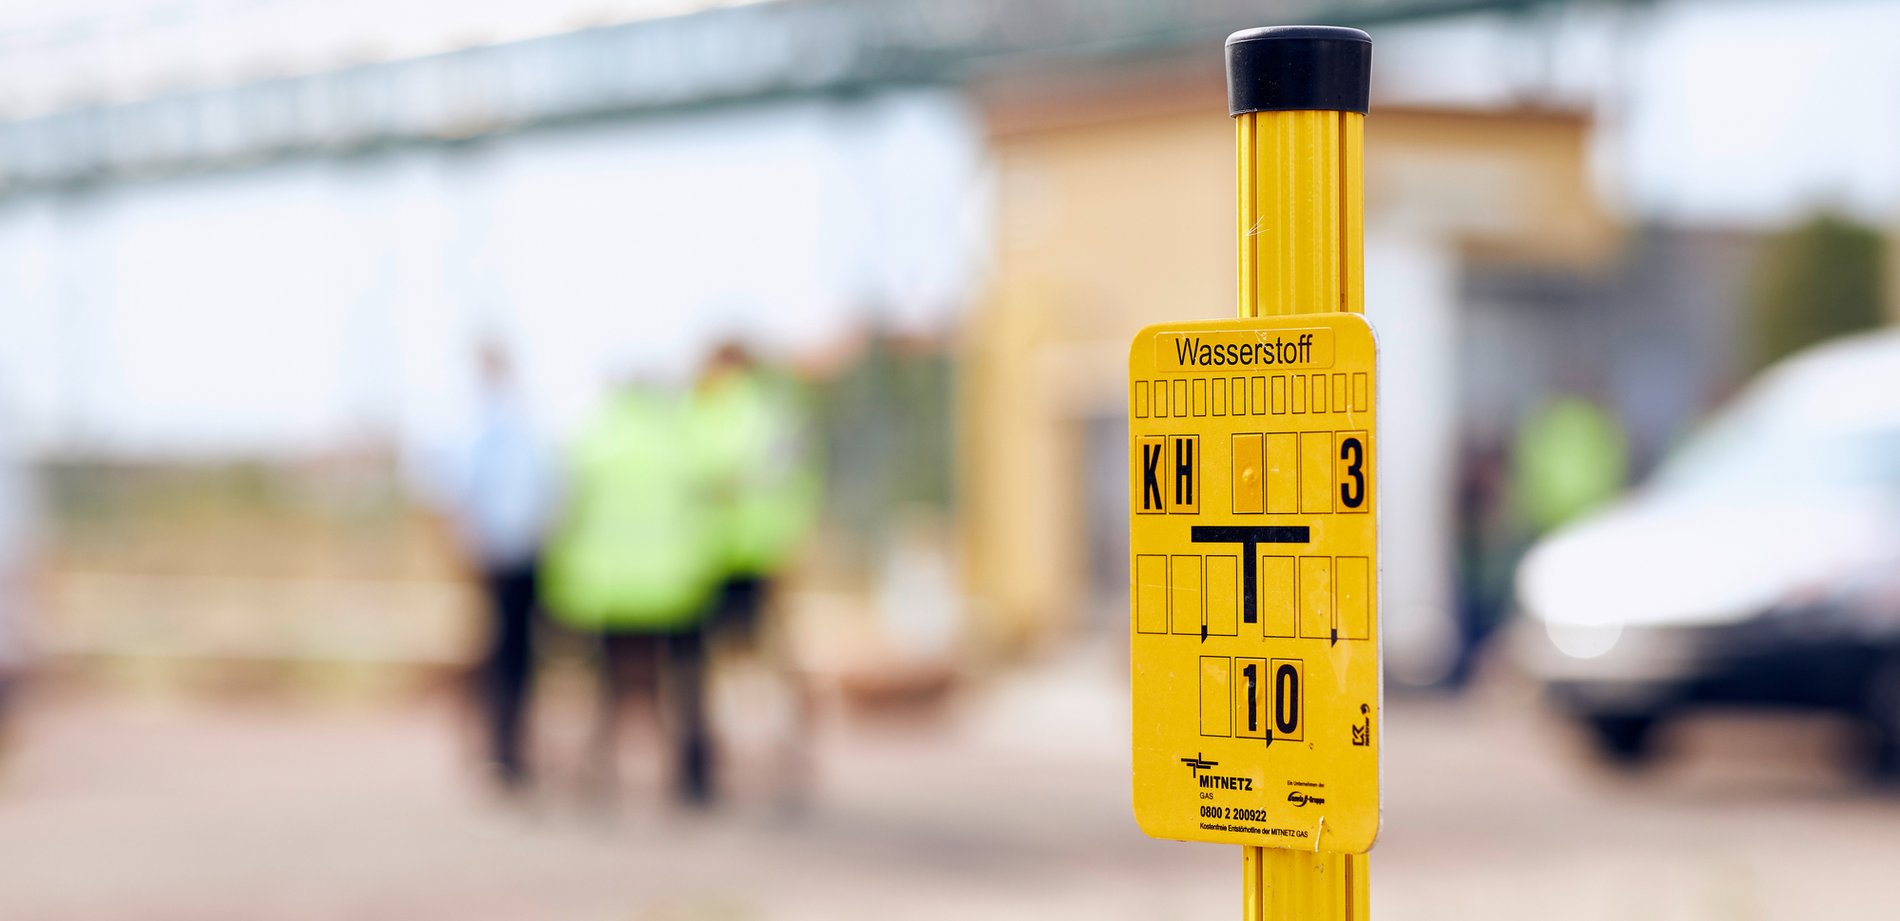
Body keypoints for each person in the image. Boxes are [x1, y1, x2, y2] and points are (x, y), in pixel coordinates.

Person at [541, 378, 721, 807]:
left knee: (610, 689)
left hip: (610, 589)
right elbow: (710, 511)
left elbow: (564, 517)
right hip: (677, 585)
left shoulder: (592, 442)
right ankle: (693, 779)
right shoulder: (682, 441)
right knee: (686, 686)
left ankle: (601, 777)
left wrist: (561, 587)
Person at [692, 343, 821, 803]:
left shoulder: (714, 413)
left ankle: (733, 762)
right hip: (769, 552)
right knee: (776, 664)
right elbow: (795, 484)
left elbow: (712, 479)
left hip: (722, 555)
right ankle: (789, 763)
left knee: (719, 668)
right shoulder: (775, 414)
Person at [431, 344, 559, 794]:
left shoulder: (506, 422)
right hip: (500, 556)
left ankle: (506, 750)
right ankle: (499, 752)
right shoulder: (482, 424)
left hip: (515, 554)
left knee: (511, 657)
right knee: (503, 658)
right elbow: (456, 495)